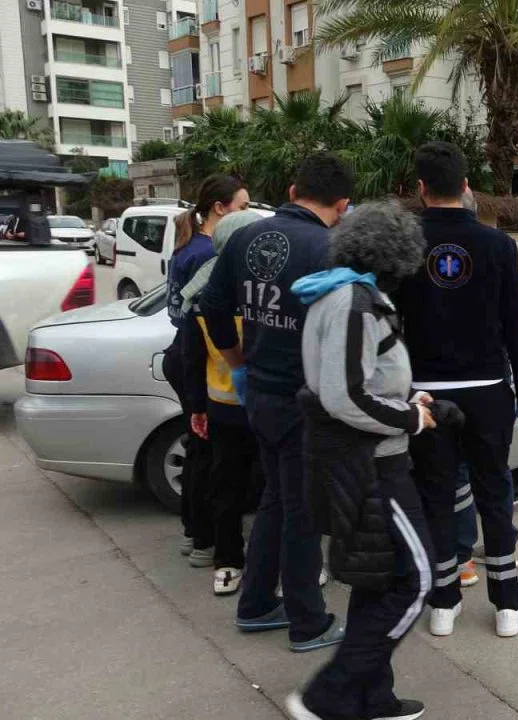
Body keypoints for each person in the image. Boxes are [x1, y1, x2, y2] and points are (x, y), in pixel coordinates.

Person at [286, 201, 446, 720]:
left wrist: (409, 401)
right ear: (396, 257)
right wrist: (412, 418)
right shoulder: (355, 304)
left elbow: (360, 381)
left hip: (364, 458)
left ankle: (372, 698)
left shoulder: (345, 295)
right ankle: (328, 693)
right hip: (374, 464)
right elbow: (346, 396)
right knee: (417, 579)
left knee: (378, 578)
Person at [201, 153, 352, 653]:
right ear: (343, 204)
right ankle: (308, 622)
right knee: (304, 512)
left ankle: (257, 603)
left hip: (260, 392)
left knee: (276, 501)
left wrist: (239, 363)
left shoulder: (244, 236)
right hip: (304, 401)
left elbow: (213, 307)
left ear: (292, 191)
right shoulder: (330, 248)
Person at [397, 141, 518, 638]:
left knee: (437, 495)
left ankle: (444, 601)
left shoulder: (404, 243)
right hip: (487, 389)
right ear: (465, 186)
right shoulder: (498, 245)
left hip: (425, 394)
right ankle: (507, 601)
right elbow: (517, 323)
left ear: (421, 189)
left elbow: (389, 323)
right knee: (493, 490)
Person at [163, 174, 250, 564]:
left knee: (201, 449)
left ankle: (197, 534)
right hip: (198, 357)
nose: (246, 214)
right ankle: (203, 537)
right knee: (207, 452)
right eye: (242, 207)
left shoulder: (192, 247)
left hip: (188, 352)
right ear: (220, 207)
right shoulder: (209, 257)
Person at [179, 209, 262, 595]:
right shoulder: (264, 288)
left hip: (222, 405)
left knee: (227, 486)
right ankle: (271, 563)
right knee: (274, 488)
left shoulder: (198, 290)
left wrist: (197, 406)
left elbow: (191, 358)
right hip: (261, 406)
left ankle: (227, 564)